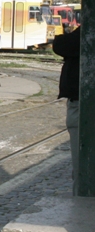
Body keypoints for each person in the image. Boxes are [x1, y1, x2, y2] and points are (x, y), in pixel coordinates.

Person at [53, 26, 80, 193]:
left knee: (82, 166)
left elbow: (62, 45)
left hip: (82, 103)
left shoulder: (89, 30)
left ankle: (82, 200)